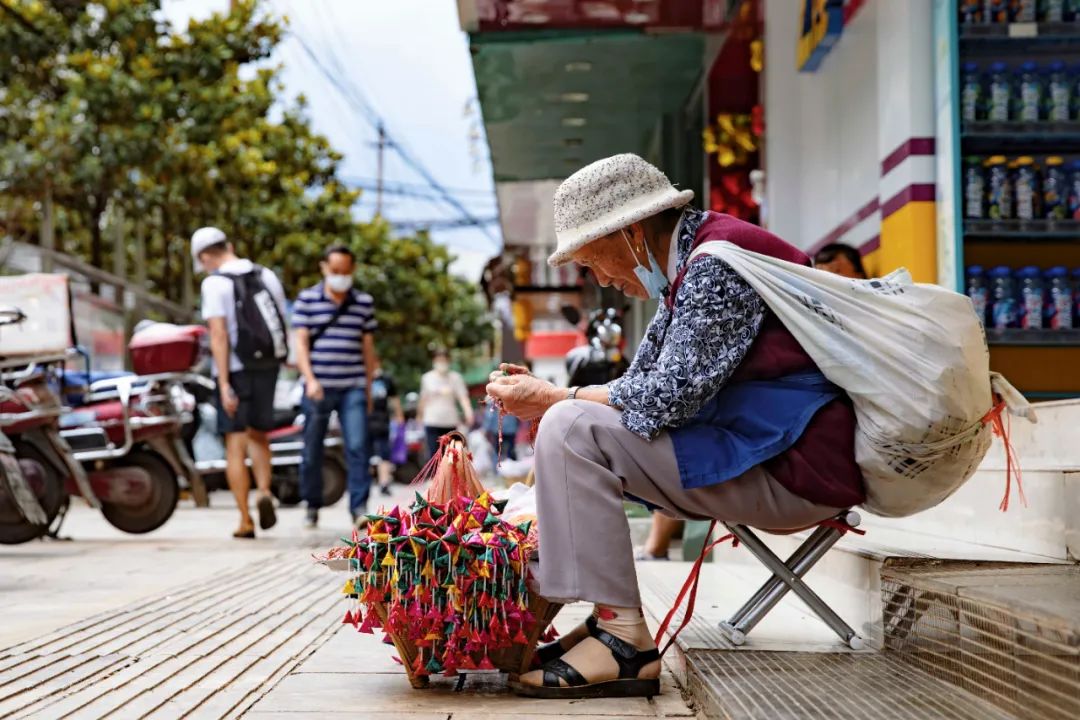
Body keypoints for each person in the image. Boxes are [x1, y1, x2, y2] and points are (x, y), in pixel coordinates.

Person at [486, 154, 865, 699]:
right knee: (570, 419)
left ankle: (623, 640)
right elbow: (639, 389)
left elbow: (664, 398)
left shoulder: (717, 264)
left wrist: (556, 398)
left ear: (631, 234)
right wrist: (550, 398)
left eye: (594, 262)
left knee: (571, 426)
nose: (601, 280)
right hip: (768, 454)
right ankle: (609, 621)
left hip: (796, 468)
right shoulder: (689, 265)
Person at [193, 226, 288, 539]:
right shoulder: (266, 274)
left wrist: (222, 383)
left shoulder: (214, 283)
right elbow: (281, 321)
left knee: (235, 443)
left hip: (235, 369)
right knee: (259, 435)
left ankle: (245, 519)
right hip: (267, 365)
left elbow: (218, 335)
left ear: (206, 256)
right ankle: (263, 489)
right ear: (229, 245)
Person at [292, 245, 379, 529]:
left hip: (352, 385)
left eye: (345, 271)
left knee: (357, 445)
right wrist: (310, 379)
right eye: (334, 271)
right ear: (324, 268)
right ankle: (311, 504)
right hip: (318, 386)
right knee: (312, 448)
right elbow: (301, 344)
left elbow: (368, 350)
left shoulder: (363, 303)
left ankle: (359, 508)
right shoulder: (307, 300)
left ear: (352, 270)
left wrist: (368, 390)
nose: (340, 276)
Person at [417, 350, 473, 458]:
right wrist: (419, 416)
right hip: (432, 420)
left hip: (449, 421)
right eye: (439, 360)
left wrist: (468, 412)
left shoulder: (455, 378)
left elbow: (463, 397)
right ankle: (436, 475)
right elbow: (423, 399)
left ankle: (447, 475)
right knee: (434, 454)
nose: (441, 363)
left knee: (449, 454)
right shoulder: (427, 378)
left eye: (444, 360)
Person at [368, 367, 404, 497]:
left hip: (382, 421)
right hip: (364, 421)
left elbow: (394, 399)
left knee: (384, 453)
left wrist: (399, 416)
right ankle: (365, 482)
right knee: (363, 452)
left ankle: (384, 483)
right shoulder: (362, 376)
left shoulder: (386, 379)